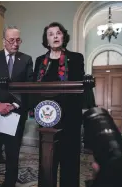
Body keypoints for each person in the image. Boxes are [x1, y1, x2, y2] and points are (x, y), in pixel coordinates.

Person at [32, 22, 85, 187]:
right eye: (50, 34)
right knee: (48, 160)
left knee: (69, 159)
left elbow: (79, 85)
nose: (55, 36)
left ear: (63, 36)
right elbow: (35, 86)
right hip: (48, 118)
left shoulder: (76, 58)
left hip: (70, 117)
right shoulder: (40, 61)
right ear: (46, 40)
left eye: (58, 33)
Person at [0, 26, 34, 187]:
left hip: (16, 114)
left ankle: (9, 184)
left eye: (18, 40)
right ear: (4, 41)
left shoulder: (26, 59)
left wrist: (13, 105)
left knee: (13, 155)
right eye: (11, 40)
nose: (15, 43)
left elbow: (29, 86)